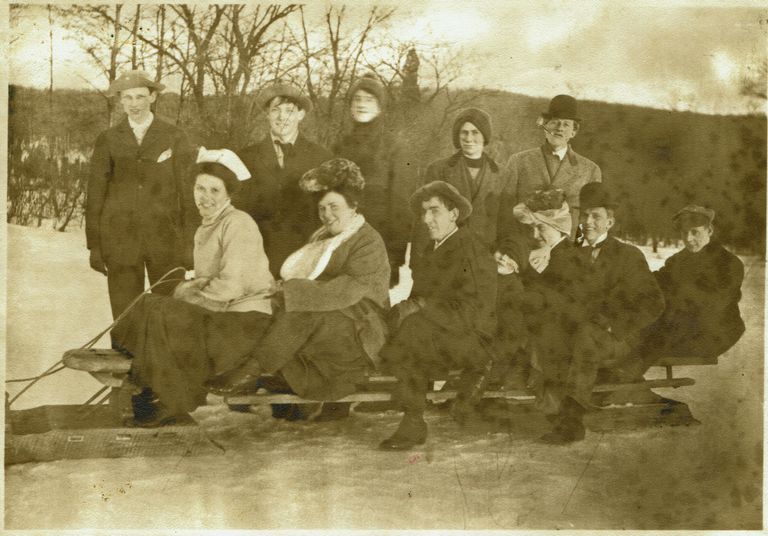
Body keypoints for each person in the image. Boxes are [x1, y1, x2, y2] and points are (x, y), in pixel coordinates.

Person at [206, 159, 391, 417]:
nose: (327, 214)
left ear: (354, 206)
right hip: (331, 325)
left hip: (362, 328)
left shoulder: (367, 240)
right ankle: (250, 370)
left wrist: (292, 290)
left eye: (334, 207)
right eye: (322, 208)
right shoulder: (323, 237)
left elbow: (347, 290)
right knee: (273, 310)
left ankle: (251, 370)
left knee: (305, 310)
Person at [111, 149, 276, 426]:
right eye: (200, 188)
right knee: (149, 304)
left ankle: (169, 401)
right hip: (223, 315)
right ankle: (147, 386)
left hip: (245, 325)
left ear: (228, 194)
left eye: (214, 190)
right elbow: (208, 281)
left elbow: (230, 287)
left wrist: (186, 295)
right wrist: (188, 290)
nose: (206, 197)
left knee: (166, 311)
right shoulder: (207, 226)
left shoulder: (239, 223)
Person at [540, 182, 665, 444]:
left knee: (587, 335)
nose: (588, 221)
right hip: (578, 336)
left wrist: (615, 325)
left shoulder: (628, 256)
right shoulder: (566, 255)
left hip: (618, 339)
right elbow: (547, 294)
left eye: (596, 216)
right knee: (553, 333)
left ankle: (572, 420)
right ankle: (553, 411)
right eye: (584, 215)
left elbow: (653, 303)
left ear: (610, 221)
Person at [378, 181, 497, 450]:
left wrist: (420, 306)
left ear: (454, 214)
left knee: (413, 331)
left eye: (434, 211)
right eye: (424, 212)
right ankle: (411, 414)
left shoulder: (470, 250)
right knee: (397, 325)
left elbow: (473, 314)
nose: (426, 219)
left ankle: (413, 420)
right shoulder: (432, 250)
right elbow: (421, 299)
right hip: (443, 334)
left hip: (476, 342)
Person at [87, 70, 196, 321]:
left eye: (140, 97)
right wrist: (95, 245)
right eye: (127, 98)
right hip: (120, 240)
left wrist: (190, 243)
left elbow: (188, 193)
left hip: (166, 239)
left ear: (153, 97)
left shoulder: (175, 136)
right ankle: (127, 356)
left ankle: (164, 358)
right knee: (125, 313)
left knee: (168, 309)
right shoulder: (108, 139)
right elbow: (95, 194)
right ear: (120, 100)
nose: (134, 104)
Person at [234, 83, 333, 276]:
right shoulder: (246, 157)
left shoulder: (322, 158)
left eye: (290, 110)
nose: (282, 117)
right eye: (275, 110)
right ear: (267, 114)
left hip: (306, 256)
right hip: (258, 256)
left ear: (301, 114)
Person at [637, 205, 745, 366]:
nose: (688, 238)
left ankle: (623, 376)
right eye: (684, 233)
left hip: (714, 332)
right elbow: (656, 283)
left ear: (709, 231)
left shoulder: (728, 263)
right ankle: (621, 377)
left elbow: (710, 305)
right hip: (680, 326)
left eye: (695, 232)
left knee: (648, 342)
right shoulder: (678, 261)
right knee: (632, 332)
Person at [334, 73, 415, 280]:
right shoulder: (339, 146)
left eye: (369, 100)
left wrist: (394, 257)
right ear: (350, 106)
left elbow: (401, 207)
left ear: (380, 107)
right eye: (357, 99)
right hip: (342, 243)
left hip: (379, 246)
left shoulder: (395, 148)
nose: (362, 104)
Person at [511, 189, 584, 406]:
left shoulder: (568, 257)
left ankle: (553, 405)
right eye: (533, 228)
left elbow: (559, 299)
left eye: (540, 228)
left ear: (558, 227)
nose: (535, 235)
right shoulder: (554, 252)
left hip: (562, 331)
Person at [500, 94, 602, 240]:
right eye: (554, 122)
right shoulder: (518, 161)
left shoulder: (590, 170)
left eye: (566, 124)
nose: (559, 128)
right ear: (544, 127)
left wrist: (577, 252)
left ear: (574, 132)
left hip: (565, 250)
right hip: (523, 247)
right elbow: (504, 211)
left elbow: (588, 218)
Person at [416, 108, 507, 255]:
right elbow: (424, 220)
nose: (469, 138)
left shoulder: (502, 173)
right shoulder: (438, 170)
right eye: (464, 132)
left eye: (475, 132)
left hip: (486, 257)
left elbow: (506, 223)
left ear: (485, 135)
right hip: (447, 256)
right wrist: (420, 263)